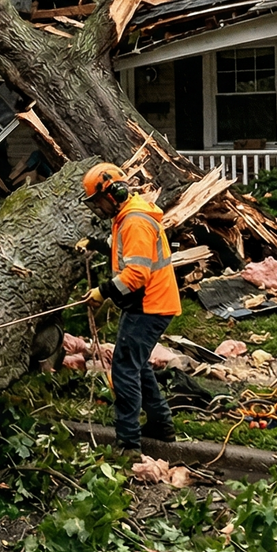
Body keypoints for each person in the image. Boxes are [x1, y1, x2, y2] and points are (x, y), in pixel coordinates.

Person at [81, 162, 178, 452]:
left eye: (97, 201)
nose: (97, 208)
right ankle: (162, 426)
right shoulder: (126, 216)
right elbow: (119, 247)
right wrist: (95, 244)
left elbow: (136, 274)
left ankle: (128, 442)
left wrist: (102, 292)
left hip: (150, 303)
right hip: (148, 302)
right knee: (137, 366)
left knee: (123, 368)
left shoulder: (134, 221)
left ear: (113, 194)